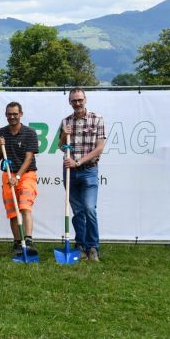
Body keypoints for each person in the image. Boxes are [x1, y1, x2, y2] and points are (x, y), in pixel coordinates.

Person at [58, 88, 106, 262]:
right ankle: (81, 246)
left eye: (80, 100)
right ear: (69, 102)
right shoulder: (66, 121)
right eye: (74, 100)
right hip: (70, 173)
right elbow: (60, 146)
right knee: (77, 211)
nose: (77, 103)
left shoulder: (97, 119)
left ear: (85, 99)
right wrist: (65, 134)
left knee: (89, 209)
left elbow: (99, 147)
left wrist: (78, 162)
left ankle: (93, 247)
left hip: (89, 171)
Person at [0, 102, 39, 257]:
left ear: (21, 114)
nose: (12, 116)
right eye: (9, 114)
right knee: (13, 212)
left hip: (26, 174)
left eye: (15, 113)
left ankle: (29, 240)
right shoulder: (1, 133)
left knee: (25, 207)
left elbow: (29, 158)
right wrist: (0, 146)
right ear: (6, 115)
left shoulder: (30, 133)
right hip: (7, 174)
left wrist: (17, 176)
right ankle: (18, 243)